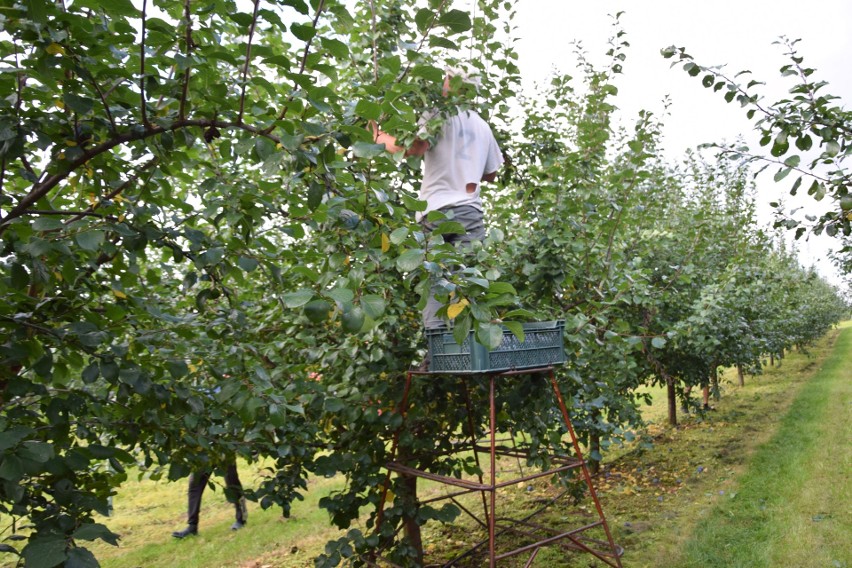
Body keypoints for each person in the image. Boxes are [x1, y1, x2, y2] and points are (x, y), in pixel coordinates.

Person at [370, 68, 504, 329]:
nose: (441, 83)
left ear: (453, 85)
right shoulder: (483, 126)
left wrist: (377, 136)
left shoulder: (436, 115)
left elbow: (413, 148)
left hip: (437, 212)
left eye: (445, 79)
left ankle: (437, 353)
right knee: (467, 283)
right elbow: (492, 174)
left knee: (434, 283)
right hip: (470, 214)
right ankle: (467, 351)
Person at [171, 463, 248, 538]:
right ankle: (192, 527)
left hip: (224, 453)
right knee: (195, 481)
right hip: (204, 453)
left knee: (232, 481)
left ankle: (241, 519)